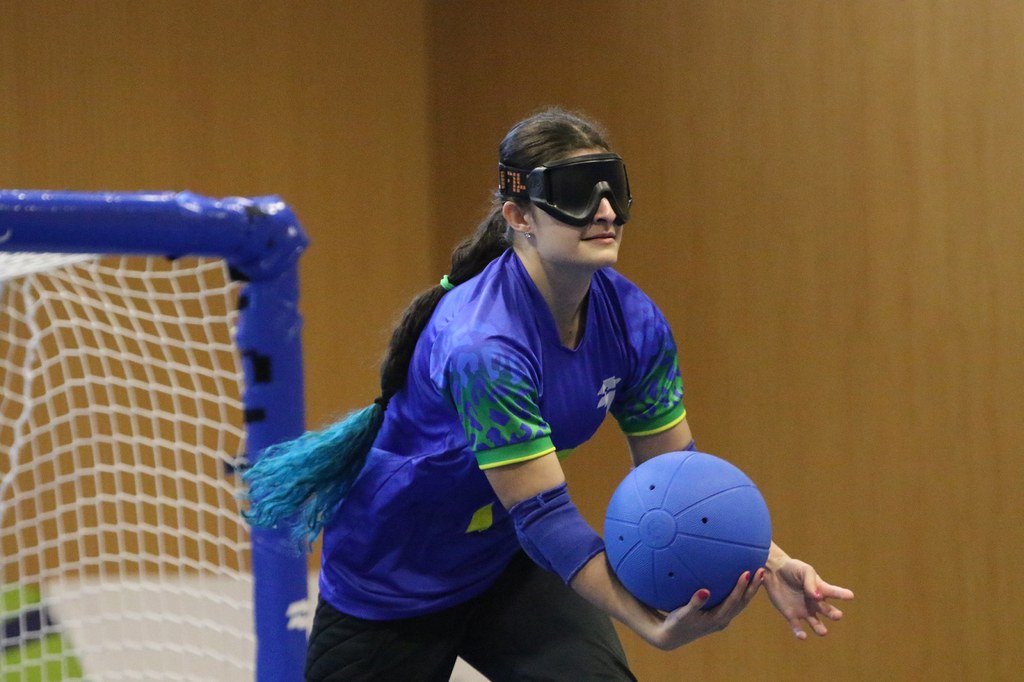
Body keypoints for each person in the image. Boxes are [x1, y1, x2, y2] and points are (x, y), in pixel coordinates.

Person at [244, 107, 854, 681]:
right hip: (393, 578)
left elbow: (678, 476)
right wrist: (649, 625)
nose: (605, 209)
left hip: (503, 561)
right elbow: (543, 513)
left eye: (612, 185)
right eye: (575, 190)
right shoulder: (484, 346)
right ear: (519, 216)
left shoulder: (633, 321)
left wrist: (769, 559)